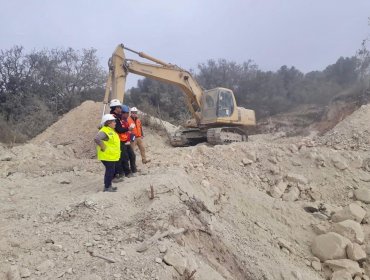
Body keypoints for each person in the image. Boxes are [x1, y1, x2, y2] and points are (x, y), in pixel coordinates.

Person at [94, 114, 120, 192]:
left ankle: (109, 186)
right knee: (110, 170)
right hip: (107, 155)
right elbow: (97, 138)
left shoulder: (110, 130)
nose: (115, 123)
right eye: (113, 121)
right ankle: (107, 187)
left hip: (110, 155)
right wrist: (103, 147)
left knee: (111, 170)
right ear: (108, 123)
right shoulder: (105, 131)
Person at [120, 105, 137, 176]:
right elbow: (120, 130)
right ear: (122, 113)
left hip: (127, 141)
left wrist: (131, 135)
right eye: (127, 113)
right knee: (125, 157)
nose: (128, 114)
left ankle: (134, 170)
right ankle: (127, 172)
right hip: (122, 142)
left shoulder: (126, 121)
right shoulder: (119, 121)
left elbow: (127, 131)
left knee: (132, 156)